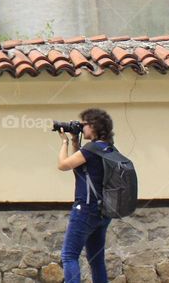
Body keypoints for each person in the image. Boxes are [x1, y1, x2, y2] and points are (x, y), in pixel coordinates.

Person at [56, 108, 115, 283]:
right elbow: (83, 167)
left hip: (85, 210)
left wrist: (64, 142)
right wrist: (76, 140)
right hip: (102, 211)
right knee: (96, 260)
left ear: (94, 126)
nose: (82, 128)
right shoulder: (108, 148)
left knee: (69, 256)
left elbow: (63, 165)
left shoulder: (91, 149)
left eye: (84, 124)